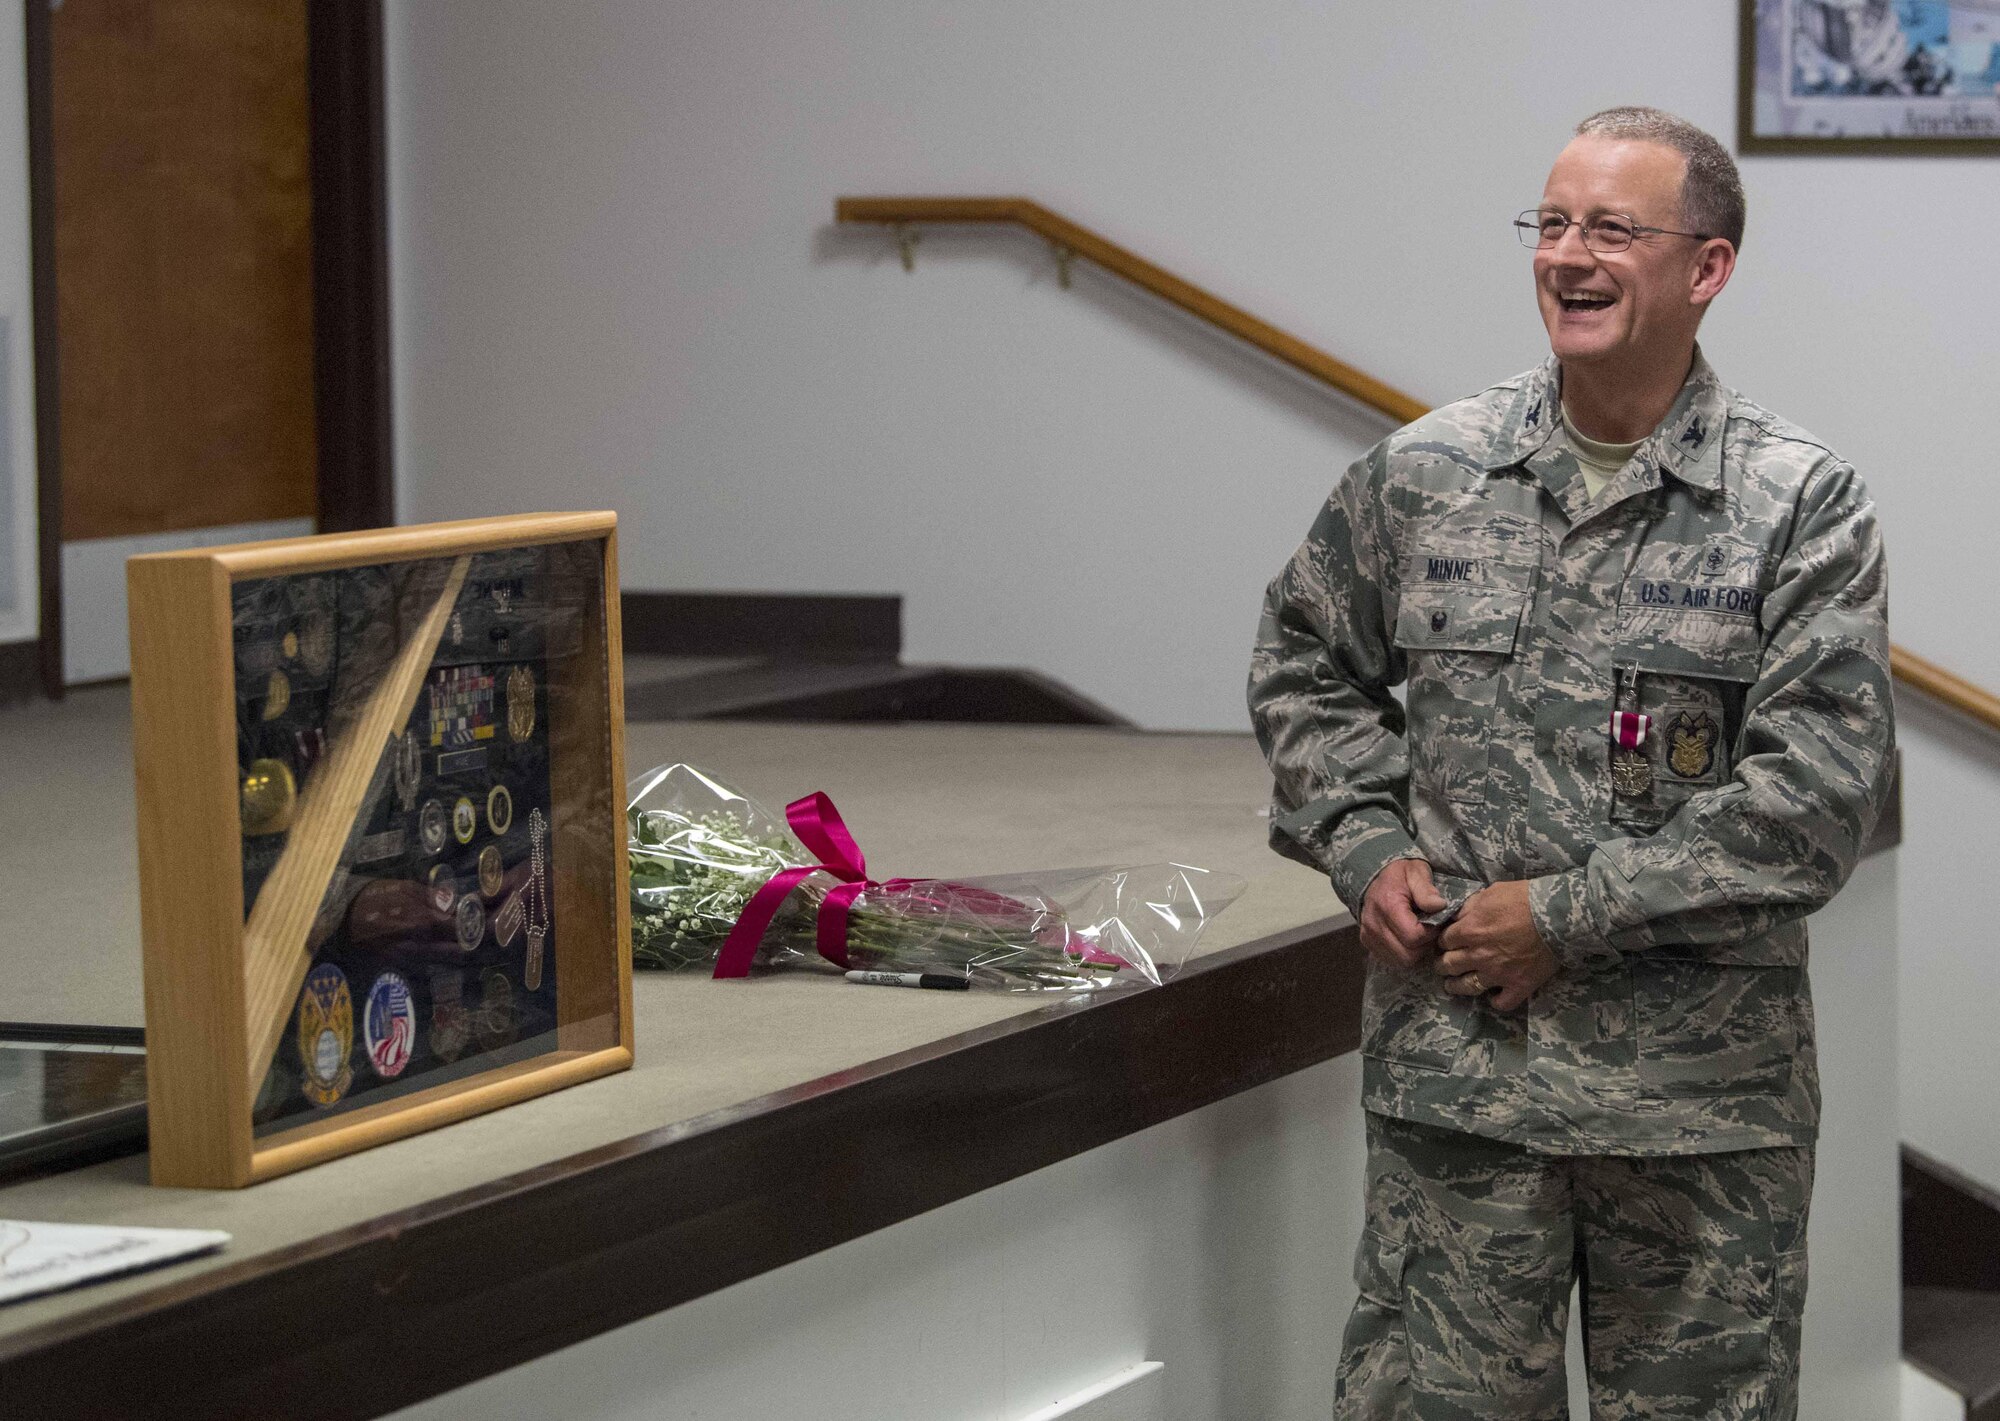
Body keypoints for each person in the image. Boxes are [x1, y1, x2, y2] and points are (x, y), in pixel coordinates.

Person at [1247, 106, 1894, 1419]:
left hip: (1698, 1116)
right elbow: (1305, 656)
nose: (1569, 256)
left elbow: (1814, 801)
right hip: (1461, 1094)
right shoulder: (1428, 472)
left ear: (1706, 268)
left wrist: (1563, 915)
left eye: (1612, 228)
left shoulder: (1800, 503)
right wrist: (1366, 845)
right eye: (1551, 224)